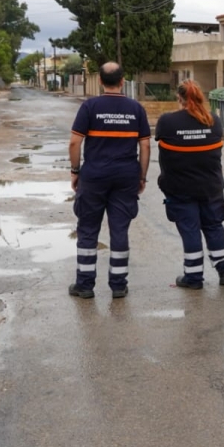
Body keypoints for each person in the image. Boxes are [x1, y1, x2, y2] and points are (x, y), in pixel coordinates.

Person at [67, 61, 151, 299]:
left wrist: (75, 171)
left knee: (88, 228)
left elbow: (75, 142)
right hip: (126, 175)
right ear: (123, 81)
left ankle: (84, 285)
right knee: (119, 229)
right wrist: (142, 176)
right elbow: (144, 144)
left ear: (101, 81)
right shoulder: (136, 108)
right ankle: (118, 285)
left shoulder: (90, 106)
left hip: (94, 175)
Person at [155, 80, 224, 289]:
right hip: (211, 188)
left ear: (179, 98)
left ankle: (193, 277)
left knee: (190, 230)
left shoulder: (167, 122)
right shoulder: (214, 121)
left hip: (180, 189)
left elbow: (161, 143)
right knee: (214, 226)